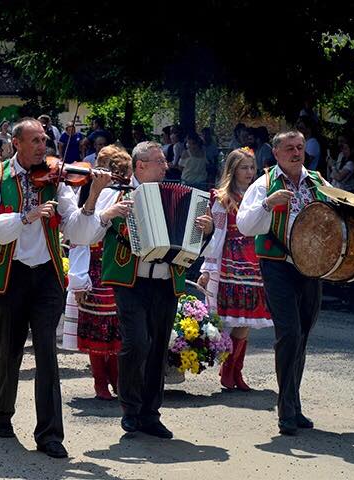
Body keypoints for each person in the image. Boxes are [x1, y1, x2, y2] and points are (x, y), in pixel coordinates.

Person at [0, 118, 114, 458]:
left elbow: (79, 232)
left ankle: (50, 434)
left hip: (48, 275)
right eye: (35, 140)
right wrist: (25, 216)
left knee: (47, 356)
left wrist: (92, 199)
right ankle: (2, 414)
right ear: (16, 144)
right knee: (9, 350)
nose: (42, 146)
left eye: (44, 140)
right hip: (11, 273)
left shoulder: (57, 178)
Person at [81, 141, 212, 439]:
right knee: (137, 342)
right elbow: (92, 228)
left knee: (157, 348)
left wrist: (206, 229)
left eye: (164, 162)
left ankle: (151, 414)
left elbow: (192, 242)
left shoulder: (180, 196)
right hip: (131, 280)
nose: (166, 166)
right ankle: (130, 408)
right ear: (141, 165)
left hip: (167, 281)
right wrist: (111, 212)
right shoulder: (116, 194)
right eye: (160, 161)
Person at [237, 130, 329, 436]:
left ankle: (294, 402)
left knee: (302, 336)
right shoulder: (263, 184)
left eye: (300, 147)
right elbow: (245, 225)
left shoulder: (318, 182)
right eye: (289, 148)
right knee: (288, 334)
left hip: (311, 268)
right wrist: (268, 204)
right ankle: (286, 409)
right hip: (277, 265)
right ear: (275, 153)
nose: (296, 152)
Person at [198, 148, 273, 391]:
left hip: (254, 261)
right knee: (234, 319)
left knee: (247, 320)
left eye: (252, 167)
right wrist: (208, 268)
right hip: (231, 260)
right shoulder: (222, 199)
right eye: (244, 167)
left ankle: (234, 371)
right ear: (233, 170)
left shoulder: (257, 196)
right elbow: (217, 234)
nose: (250, 172)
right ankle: (228, 370)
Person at [67, 145, 132, 400]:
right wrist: (79, 280)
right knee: (98, 326)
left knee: (116, 326)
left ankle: (114, 378)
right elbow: (81, 239)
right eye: (122, 172)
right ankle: (100, 381)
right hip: (97, 267)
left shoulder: (127, 194)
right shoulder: (98, 195)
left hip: (116, 266)